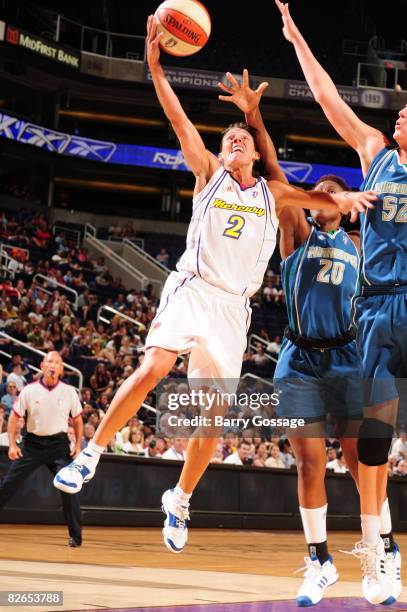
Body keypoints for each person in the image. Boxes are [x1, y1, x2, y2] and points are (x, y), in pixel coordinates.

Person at [54, 16, 375, 556]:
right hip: (193, 288)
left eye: (244, 139)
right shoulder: (207, 173)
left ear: (252, 153)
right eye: (230, 137)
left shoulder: (273, 193)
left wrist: (344, 201)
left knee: (213, 419)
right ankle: (91, 455)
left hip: (233, 311)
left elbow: (323, 202)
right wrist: (155, 69)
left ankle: (179, 498)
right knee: (154, 364)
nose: (235, 141)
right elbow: (177, 117)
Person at [275, 0, 404, 604]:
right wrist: (298, 40)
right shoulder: (375, 150)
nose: (399, 113)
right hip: (378, 311)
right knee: (372, 444)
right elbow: (329, 100)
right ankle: (380, 556)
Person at [0, 351, 83, 546]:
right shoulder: (29, 390)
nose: (53, 365)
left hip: (59, 446)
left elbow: (78, 421)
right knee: (8, 485)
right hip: (31, 445)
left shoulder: (70, 392)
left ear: (62, 369)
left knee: (70, 490)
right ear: (42, 366)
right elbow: (14, 418)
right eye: (49, 362)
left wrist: (78, 445)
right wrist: (12, 444)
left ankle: (76, 537)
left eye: (57, 362)